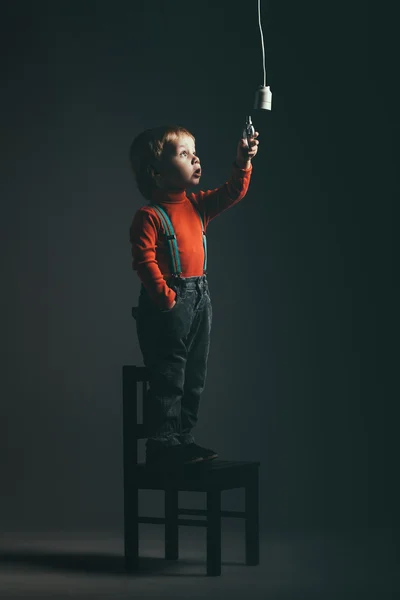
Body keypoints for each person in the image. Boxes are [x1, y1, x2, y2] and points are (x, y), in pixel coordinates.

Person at [128, 124, 259, 469]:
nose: (195, 157)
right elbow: (144, 261)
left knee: (194, 374)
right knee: (170, 373)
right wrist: (165, 297)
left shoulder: (198, 206)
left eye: (194, 151)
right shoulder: (149, 216)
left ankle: (183, 438)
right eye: (184, 154)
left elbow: (233, 191)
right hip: (169, 303)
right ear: (156, 172)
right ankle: (162, 442)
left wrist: (243, 161)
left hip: (200, 298)